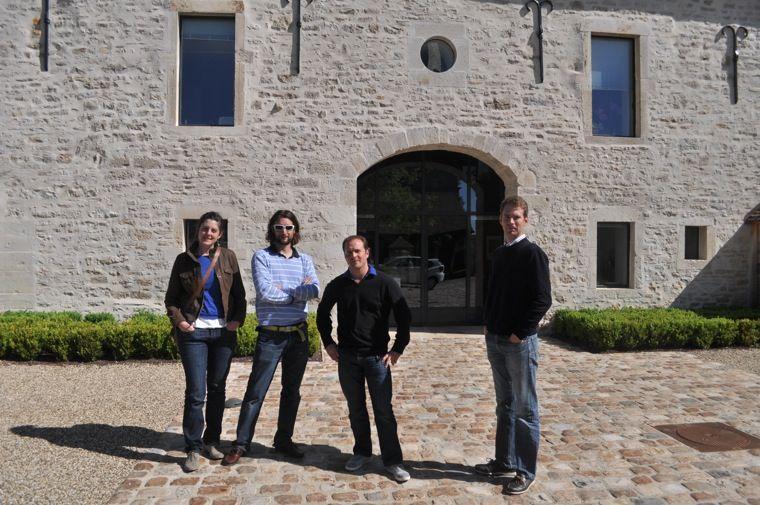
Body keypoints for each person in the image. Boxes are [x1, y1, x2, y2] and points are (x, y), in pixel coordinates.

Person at [224, 210, 319, 465]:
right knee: (256, 391)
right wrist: (296, 294)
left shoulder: (305, 260)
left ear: (295, 231)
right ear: (272, 230)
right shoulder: (261, 257)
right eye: (279, 228)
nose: (284, 232)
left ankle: (283, 440)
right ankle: (241, 443)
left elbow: (314, 288)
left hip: (298, 335)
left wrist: (286, 291)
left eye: (288, 228)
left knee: (292, 391)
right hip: (271, 336)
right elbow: (265, 293)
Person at [316, 235, 412, 483]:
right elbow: (322, 314)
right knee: (356, 409)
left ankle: (392, 461)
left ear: (367, 252)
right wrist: (328, 343)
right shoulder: (338, 285)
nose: (353, 255)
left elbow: (404, 316)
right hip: (347, 358)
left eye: (358, 251)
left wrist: (398, 348)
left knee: (383, 411)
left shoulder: (384, 283)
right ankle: (362, 452)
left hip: (377, 358)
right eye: (349, 252)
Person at [474, 196, 552, 495]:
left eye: (517, 217)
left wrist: (520, 332)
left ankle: (524, 470)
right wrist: (488, 321)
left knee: (525, 409)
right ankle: (503, 461)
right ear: (500, 219)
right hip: (495, 339)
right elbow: (492, 292)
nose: (511, 221)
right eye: (507, 216)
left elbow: (542, 299)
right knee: (504, 405)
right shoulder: (499, 254)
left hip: (519, 344)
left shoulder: (533, 254)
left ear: (525, 220)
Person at [165, 211, 247, 473]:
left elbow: (239, 295)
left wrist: (236, 319)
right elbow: (172, 299)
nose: (208, 234)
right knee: (196, 392)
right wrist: (180, 322)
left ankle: (212, 441)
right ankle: (192, 446)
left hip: (222, 333)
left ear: (220, 234)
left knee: (217, 389)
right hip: (194, 333)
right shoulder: (184, 260)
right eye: (204, 229)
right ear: (197, 231)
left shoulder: (228, 257)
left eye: (213, 230)